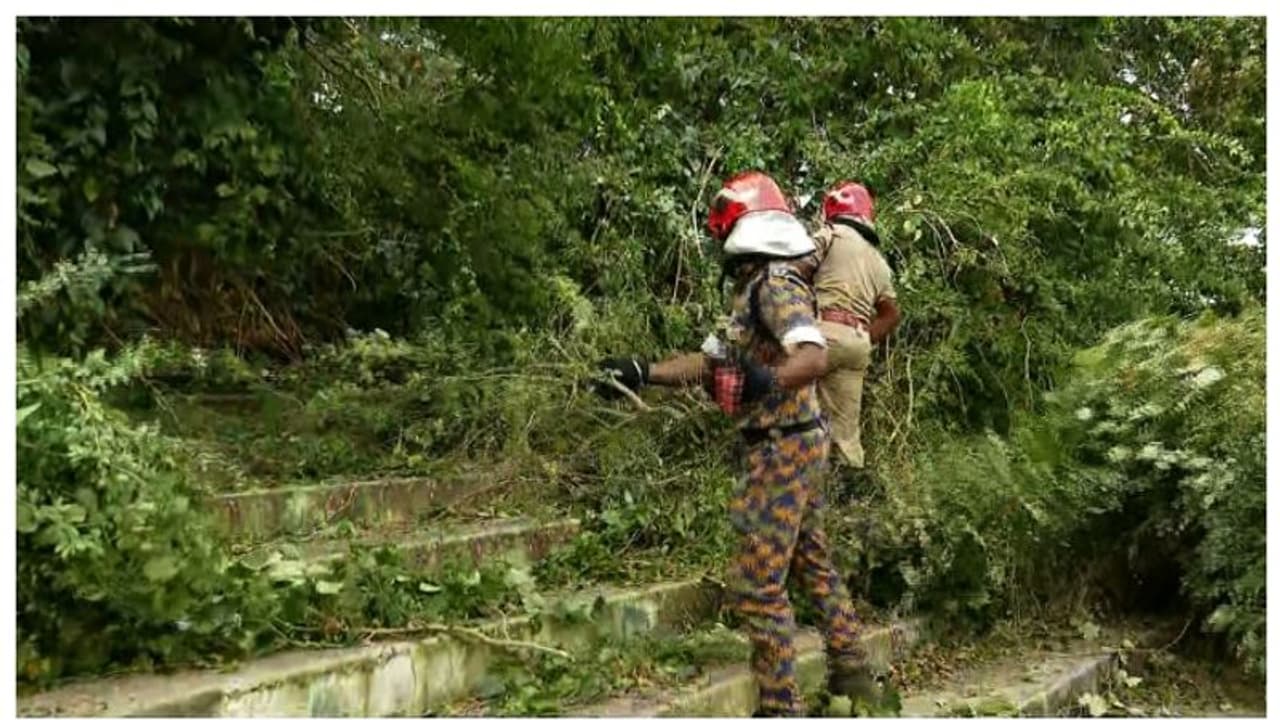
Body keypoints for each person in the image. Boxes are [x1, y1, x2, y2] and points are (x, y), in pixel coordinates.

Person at [593, 171, 879, 716]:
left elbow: (813, 355)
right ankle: (854, 675)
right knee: (811, 563)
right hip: (797, 442)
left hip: (783, 447)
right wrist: (642, 371)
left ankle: (779, 705)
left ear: (740, 227)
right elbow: (711, 363)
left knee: (756, 581)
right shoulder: (752, 289)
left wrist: (766, 381)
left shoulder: (774, 285)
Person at [809, 182, 900, 492]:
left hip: (823, 333)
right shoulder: (878, 261)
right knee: (846, 432)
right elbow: (891, 314)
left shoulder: (830, 235)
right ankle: (853, 498)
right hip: (857, 343)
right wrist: (860, 336)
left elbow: (795, 268)